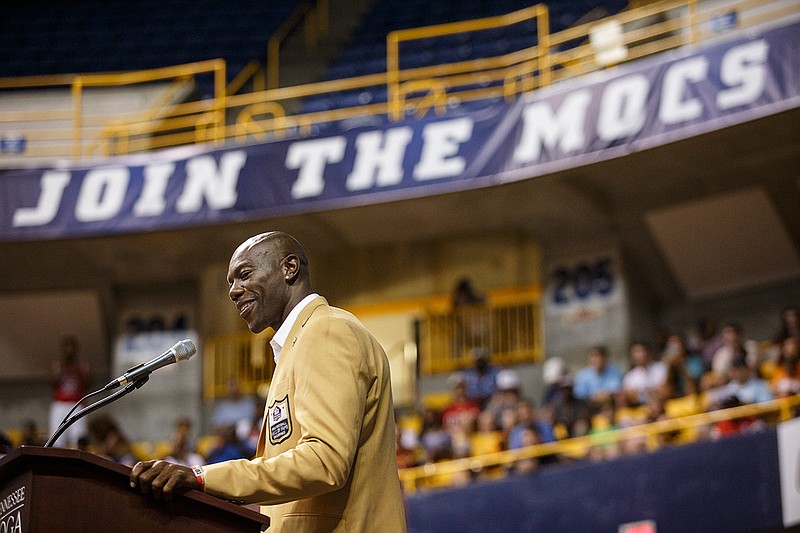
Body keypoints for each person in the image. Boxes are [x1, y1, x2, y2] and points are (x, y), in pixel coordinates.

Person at [130, 231, 406, 533]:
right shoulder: (297, 345)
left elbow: (325, 461)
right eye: (230, 284)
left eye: (244, 275)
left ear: (289, 268)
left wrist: (201, 478)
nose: (234, 291)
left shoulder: (327, 332)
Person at [49, 335, 91, 448]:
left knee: (78, 437)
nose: (69, 351)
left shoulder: (82, 366)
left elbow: (89, 384)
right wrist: (61, 371)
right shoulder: (58, 365)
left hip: (76, 403)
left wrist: (78, 372)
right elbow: (52, 384)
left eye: (71, 347)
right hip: (60, 404)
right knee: (57, 439)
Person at [573, 345, 623, 411]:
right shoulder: (582, 375)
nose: (595, 359)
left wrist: (604, 395)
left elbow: (616, 388)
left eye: (598, 356)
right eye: (593, 356)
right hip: (589, 408)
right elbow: (579, 394)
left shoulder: (614, 372)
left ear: (605, 358)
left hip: (610, 406)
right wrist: (593, 397)